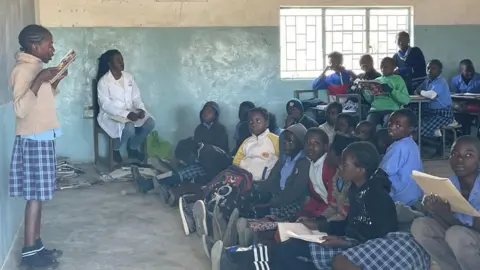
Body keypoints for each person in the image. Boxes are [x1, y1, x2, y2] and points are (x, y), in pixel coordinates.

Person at [210, 142, 430, 270]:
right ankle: (235, 254)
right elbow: (349, 223)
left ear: (361, 169)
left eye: (345, 164)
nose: (340, 167)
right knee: (292, 246)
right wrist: (320, 224)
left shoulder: (377, 197)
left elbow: (377, 240)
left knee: (290, 257)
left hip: (357, 252)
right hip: (346, 243)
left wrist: (343, 241)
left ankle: (236, 261)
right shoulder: (356, 189)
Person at [10, 24, 66, 269]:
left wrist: (53, 81)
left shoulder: (38, 69)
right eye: (49, 44)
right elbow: (21, 109)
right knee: (34, 197)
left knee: (39, 197)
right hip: (33, 139)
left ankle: (36, 246)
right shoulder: (23, 70)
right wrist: (40, 80)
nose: (52, 49)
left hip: (43, 136)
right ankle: (29, 254)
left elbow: (44, 99)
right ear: (35, 47)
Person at [412, 135, 480, 270]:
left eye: (468, 155)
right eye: (455, 154)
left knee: (456, 235)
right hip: (460, 236)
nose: (460, 160)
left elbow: (471, 229)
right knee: (420, 225)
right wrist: (433, 208)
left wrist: (446, 214)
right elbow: (447, 223)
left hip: (469, 238)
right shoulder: (449, 184)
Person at [96, 49, 155, 163]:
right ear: (110, 64)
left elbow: (136, 97)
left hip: (131, 111)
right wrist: (127, 114)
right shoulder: (103, 82)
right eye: (118, 60)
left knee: (150, 123)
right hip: (110, 114)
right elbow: (105, 105)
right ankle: (115, 149)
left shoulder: (129, 77)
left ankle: (132, 148)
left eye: (122, 59)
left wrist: (141, 109)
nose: (122, 62)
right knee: (129, 128)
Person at [381, 109, 424, 206]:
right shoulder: (412, 144)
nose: (391, 127)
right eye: (390, 123)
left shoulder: (398, 147)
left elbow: (382, 173)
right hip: (415, 196)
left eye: (398, 125)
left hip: (401, 200)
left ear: (411, 129)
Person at [361, 57, 410, 127]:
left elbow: (406, 100)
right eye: (381, 66)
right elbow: (371, 100)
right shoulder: (377, 80)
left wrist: (391, 91)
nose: (382, 69)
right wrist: (364, 91)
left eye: (386, 67)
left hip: (391, 110)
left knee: (388, 124)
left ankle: (383, 136)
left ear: (393, 67)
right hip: (375, 110)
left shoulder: (398, 79)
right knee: (368, 126)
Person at [233, 107, 279, 181]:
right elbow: (236, 161)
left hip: (263, 183)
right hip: (244, 182)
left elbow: (282, 161)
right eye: (250, 122)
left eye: (257, 120)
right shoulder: (247, 142)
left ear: (266, 123)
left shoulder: (275, 140)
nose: (253, 124)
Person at [416, 59, 454, 137]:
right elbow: (416, 90)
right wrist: (420, 91)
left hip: (443, 114)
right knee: (414, 124)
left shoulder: (441, 81)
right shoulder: (427, 81)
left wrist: (421, 92)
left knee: (420, 130)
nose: (430, 70)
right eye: (428, 68)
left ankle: (421, 144)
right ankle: (431, 142)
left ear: (440, 71)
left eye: (433, 68)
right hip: (429, 113)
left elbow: (432, 95)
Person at [451, 60, 480, 135]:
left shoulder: (479, 78)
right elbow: (453, 96)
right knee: (457, 112)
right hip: (461, 106)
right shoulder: (455, 80)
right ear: (461, 71)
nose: (470, 73)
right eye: (467, 71)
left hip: (476, 105)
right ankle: (461, 135)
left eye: (471, 70)